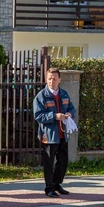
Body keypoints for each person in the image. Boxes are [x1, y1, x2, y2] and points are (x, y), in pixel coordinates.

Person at [33, 68, 76, 198]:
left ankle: (57, 184)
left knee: (63, 161)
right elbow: (38, 115)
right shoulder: (41, 96)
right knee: (49, 162)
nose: (51, 81)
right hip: (49, 135)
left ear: (59, 80)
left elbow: (71, 108)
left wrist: (69, 113)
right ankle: (49, 187)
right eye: (49, 78)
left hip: (63, 134)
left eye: (54, 79)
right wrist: (54, 116)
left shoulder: (64, 94)